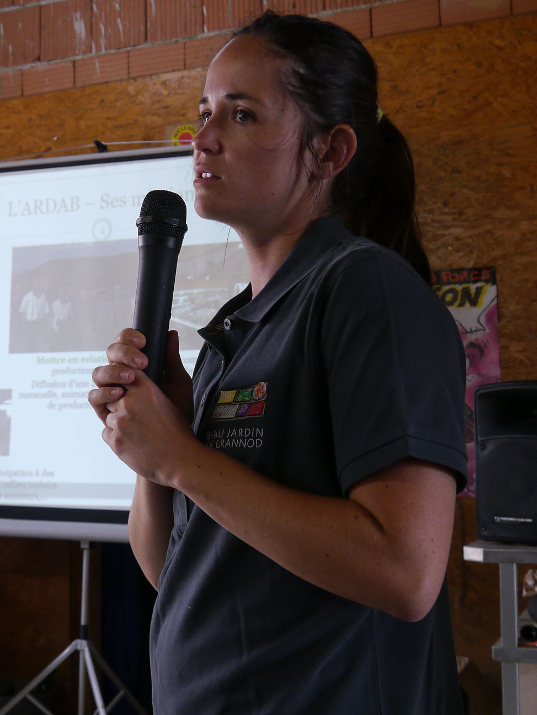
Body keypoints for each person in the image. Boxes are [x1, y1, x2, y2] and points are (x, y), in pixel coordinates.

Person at [89, 12, 467, 714]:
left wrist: (182, 460)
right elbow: (175, 567)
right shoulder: (238, 326)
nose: (203, 139)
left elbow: (405, 570)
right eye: (203, 114)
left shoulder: (366, 290)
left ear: (328, 152)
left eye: (242, 114)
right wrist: (154, 453)